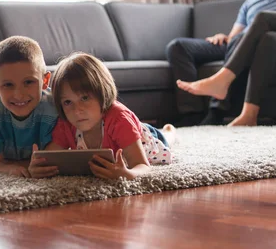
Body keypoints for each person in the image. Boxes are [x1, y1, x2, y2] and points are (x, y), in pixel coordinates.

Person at [28, 52, 176, 180]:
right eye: (68, 102)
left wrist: (127, 174)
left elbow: (143, 165)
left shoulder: (120, 120)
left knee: (165, 139)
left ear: (102, 93)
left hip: (145, 138)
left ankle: (169, 132)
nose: (77, 110)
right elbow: (51, 158)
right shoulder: (66, 122)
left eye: (85, 98)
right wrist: (39, 166)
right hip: (129, 129)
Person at [0, 35, 58, 177]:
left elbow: (54, 159)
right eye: (8, 85)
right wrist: (8, 168)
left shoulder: (54, 105)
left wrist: (3, 164)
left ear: (45, 80)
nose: (19, 95)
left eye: (28, 82)